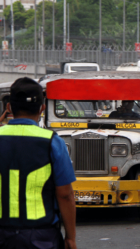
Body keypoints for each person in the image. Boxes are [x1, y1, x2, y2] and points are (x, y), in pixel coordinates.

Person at [0, 77, 77, 249]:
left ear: (9, 107)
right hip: (42, 237)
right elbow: (65, 195)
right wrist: (70, 238)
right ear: (42, 108)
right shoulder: (52, 142)